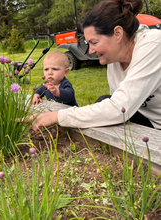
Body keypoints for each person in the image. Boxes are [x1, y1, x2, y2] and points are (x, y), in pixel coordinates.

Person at [29, 0, 161, 133]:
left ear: (118, 34)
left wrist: (56, 116)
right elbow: (113, 105)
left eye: (94, 43)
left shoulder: (154, 45)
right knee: (103, 103)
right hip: (140, 116)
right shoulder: (114, 58)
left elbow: (119, 108)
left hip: (157, 125)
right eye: (88, 43)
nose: (91, 50)